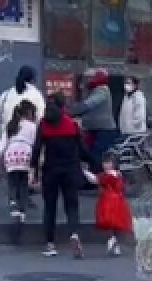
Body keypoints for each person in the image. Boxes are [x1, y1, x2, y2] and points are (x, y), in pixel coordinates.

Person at [32, 94, 95, 258]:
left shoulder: (43, 125)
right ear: (63, 106)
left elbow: (37, 149)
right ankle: (74, 233)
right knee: (72, 206)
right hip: (70, 170)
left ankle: (50, 244)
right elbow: (82, 150)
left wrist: (34, 172)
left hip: (50, 170)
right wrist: (94, 163)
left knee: (50, 208)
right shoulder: (71, 125)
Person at [0, 99, 39, 222]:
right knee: (23, 184)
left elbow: (3, 143)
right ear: (29, 113)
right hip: (25, 155)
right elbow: (35, 144)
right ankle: (22, 211)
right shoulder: (33, 127)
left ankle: (13, 203)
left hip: (11, 155)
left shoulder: (11, 125)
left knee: (12, 182)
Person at [69, 68, 118, 173]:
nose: (85, 81)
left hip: (104, 129)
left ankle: (97, 178)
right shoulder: (92, 90)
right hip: (93, 129)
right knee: (87, 152)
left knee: (96, 154)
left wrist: (70, 113)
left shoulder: (102, 89)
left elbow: (89, 104)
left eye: (87, 78)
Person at [94, 151, 133, 256]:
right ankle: (114, 242)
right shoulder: (116, 174)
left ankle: (114, 241)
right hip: (116, 201)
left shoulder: (109, 175)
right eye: (104, 163)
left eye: (108, 163)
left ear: (113, 164)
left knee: (111, 223)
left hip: (109, 201)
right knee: (113, 224)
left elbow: (97, 181)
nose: (106, 165)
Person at [0, 66, 47, 141]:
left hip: (7, 137)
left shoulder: (6, 94)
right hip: (28, 140)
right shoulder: (36, 95)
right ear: (32, 79)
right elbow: (41, 116)